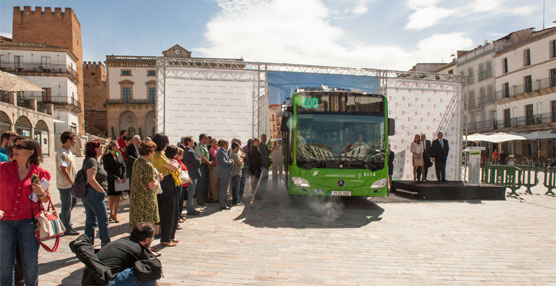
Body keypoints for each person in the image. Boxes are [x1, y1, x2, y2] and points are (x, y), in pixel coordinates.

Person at [0, 136, 51, 286]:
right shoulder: (3, 169)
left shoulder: (41, 174)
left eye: (19, 147)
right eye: (14, 146)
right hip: (5, 222)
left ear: (31, 152)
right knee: (4, 265)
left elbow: (45, 200)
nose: (14, 149)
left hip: (28, 223)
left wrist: (41, 192)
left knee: (30, 264)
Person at [91, 222, 159, 286]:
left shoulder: (122, 241)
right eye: (152, 238)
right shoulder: (139, 250)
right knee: (149, 271)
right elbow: (154, 279)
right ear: (147, 240)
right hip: (106, 283)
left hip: (91, 280)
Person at [151, 134, 180, 247]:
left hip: (166, 183)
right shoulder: (159, 155)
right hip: (166, 183)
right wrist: (175, 165)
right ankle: (166, 238)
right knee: (168, 211)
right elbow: (174, 167)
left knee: (171, 210)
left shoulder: (160, 154)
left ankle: (170, 236)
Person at [129, 141, 160, 239]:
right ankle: (147, 247)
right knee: (147, 226)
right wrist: (158, 179)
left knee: (138, 225)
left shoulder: (137, 161)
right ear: (150, 152)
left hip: (136, 197)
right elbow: (152, 185)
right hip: (146, 200)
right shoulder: (148, 165)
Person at [82, 140, 111, 246]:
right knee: (103, 220)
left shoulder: (91, 160)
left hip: (90, 194)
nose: (102, 149)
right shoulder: (92, 161)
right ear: (96, 149)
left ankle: (87, 244)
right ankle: (105, 243)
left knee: (90, 221)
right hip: (94, 194)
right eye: (100, 147)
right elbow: (91, 178)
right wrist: (101, 191)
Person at [56, 131, 79, 235]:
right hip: (65, 184)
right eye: (73, 140)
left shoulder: (69, 152)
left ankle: (61, 219)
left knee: (73, 202)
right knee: (66, 205)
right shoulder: (62, 153)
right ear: (68, 140)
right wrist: (71, 181)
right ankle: (67, 227)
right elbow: (63, 169)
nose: (75, 142)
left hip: (71, 183)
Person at [102, 141, 127, 223]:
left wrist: (123, 176)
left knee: (118, 197)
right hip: (111, 179)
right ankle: (111, 214)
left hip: (120, 179)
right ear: (112, 147)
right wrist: (115, 178)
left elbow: (123, 166)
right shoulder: (106, 157)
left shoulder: (119, 154)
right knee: (112, 196)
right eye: (117, 145)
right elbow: (106, 169)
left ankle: (115, 215)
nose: (118, 147)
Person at [183, 136, 202, 215]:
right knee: (191, 192)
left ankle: (191, 208)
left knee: (191, 192)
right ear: (188, 142)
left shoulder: (189, 151)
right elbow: (197, 161)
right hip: (192, 174)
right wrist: (199, 159)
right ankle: (190, 210)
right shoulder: (190, 152)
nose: (194, 142)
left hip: (192, 174)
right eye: (192, 141)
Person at [215, 140, 234, 210]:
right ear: (225, 144)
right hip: (223, 173)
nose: (228, 146)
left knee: (224, 189)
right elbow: (223, 162)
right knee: (223, 189)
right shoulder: (221, 152)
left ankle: (224, 202)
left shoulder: (223, 151)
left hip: (225, 173)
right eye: (227, 144)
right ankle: (222, 204)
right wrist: (230, 162)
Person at [194, 134, 210, 205]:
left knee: (206, 183)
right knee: (201, 183)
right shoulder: (199, 146)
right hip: (201, 166)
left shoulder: (205, 146)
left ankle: (205, 198)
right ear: (202, 139)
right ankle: (199, 200)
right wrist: (209, 163)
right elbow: (202, 157)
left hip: (206, 165)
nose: (207, 139)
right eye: (206, 138)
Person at [175, 148, 191, 220]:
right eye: (181, 155)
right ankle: (177, 216)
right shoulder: (176, 162)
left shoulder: (181, 162)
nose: (182, 156)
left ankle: (180, 215)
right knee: (179, 201)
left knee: (182, 201)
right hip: (180, 183)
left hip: (184, 184)